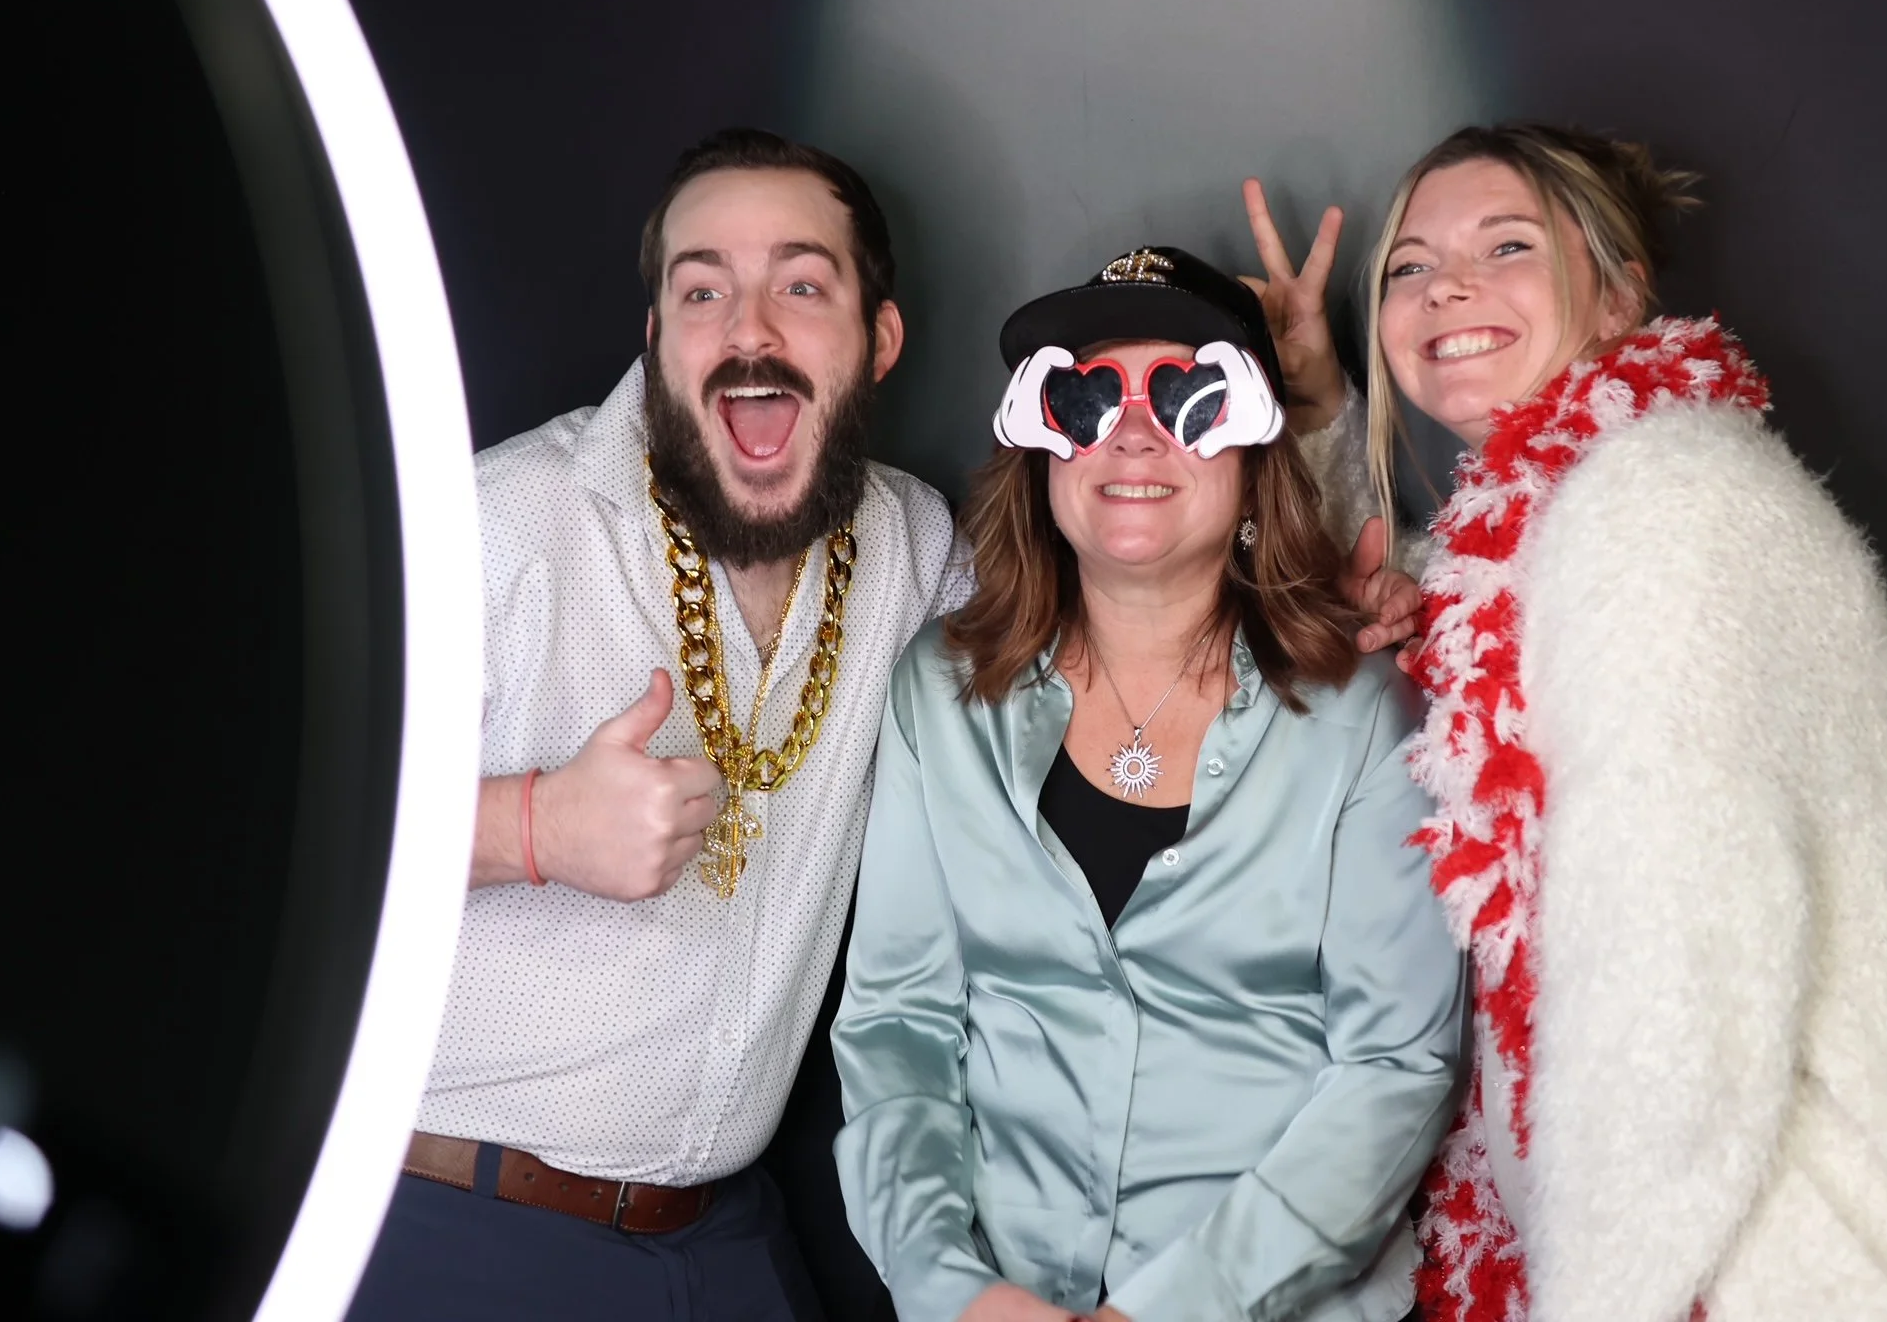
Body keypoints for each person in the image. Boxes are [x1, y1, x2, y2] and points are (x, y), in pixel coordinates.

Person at [1245, 125, 1887, 1322]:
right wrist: (1318, 410)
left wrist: (1603, 1300)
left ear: (1620, 290)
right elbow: (1429, 608)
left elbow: (1678, 976)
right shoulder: (1577, 515)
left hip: (1816, 1252)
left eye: (1507, 245)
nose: (1448, 288)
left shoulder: (1667, 507)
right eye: (1410, 266)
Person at [349, 127, 971, 1320]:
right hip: (453, 1224)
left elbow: (1113, 623)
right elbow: (263, 836)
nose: (750, 330)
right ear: (656, 336)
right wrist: (530, 826)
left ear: (880, 340)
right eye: (702, 291)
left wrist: (1315, 467)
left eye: (802, 286)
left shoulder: (912, 545)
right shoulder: (498, 527)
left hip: (723, 1243)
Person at [831, 248, 1467, 1322]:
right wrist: (952, 1290)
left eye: (1188, 396)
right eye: (1085, 399)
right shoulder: (939, 695)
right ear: (1042, 452)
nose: (1132, 433)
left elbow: (1395, 1068)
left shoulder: (1364, 713)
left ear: (1256, 458)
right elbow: (899, 1027)